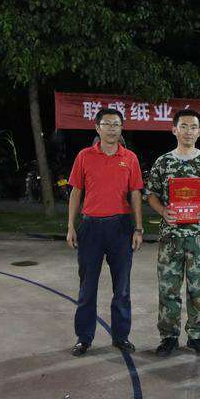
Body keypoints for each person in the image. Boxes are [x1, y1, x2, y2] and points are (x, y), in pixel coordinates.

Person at [146, 109, 200, 357]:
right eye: (183, 126)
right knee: (168, 289)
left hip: (199, 237)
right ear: (174, 130)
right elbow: (151, 195)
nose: (188, 131)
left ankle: (196, 336)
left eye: (193, 127)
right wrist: (162, 211)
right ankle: (169, 337)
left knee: (198, 290)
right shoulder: (163, 162)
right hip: (170, 237)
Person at [66, 108, 144, 356]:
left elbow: (135, 194)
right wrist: (71, 226)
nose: (112, 128)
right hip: (90, 228)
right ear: (97, 128)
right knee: (87, 287)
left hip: (121, 228)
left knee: (122, 288)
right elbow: (76, 192)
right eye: (107, 124)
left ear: (121, 128)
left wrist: (138, 228)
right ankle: (84, 337)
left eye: (116, 124)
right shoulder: (84, 156)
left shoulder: (130, 158)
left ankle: (121, 337)